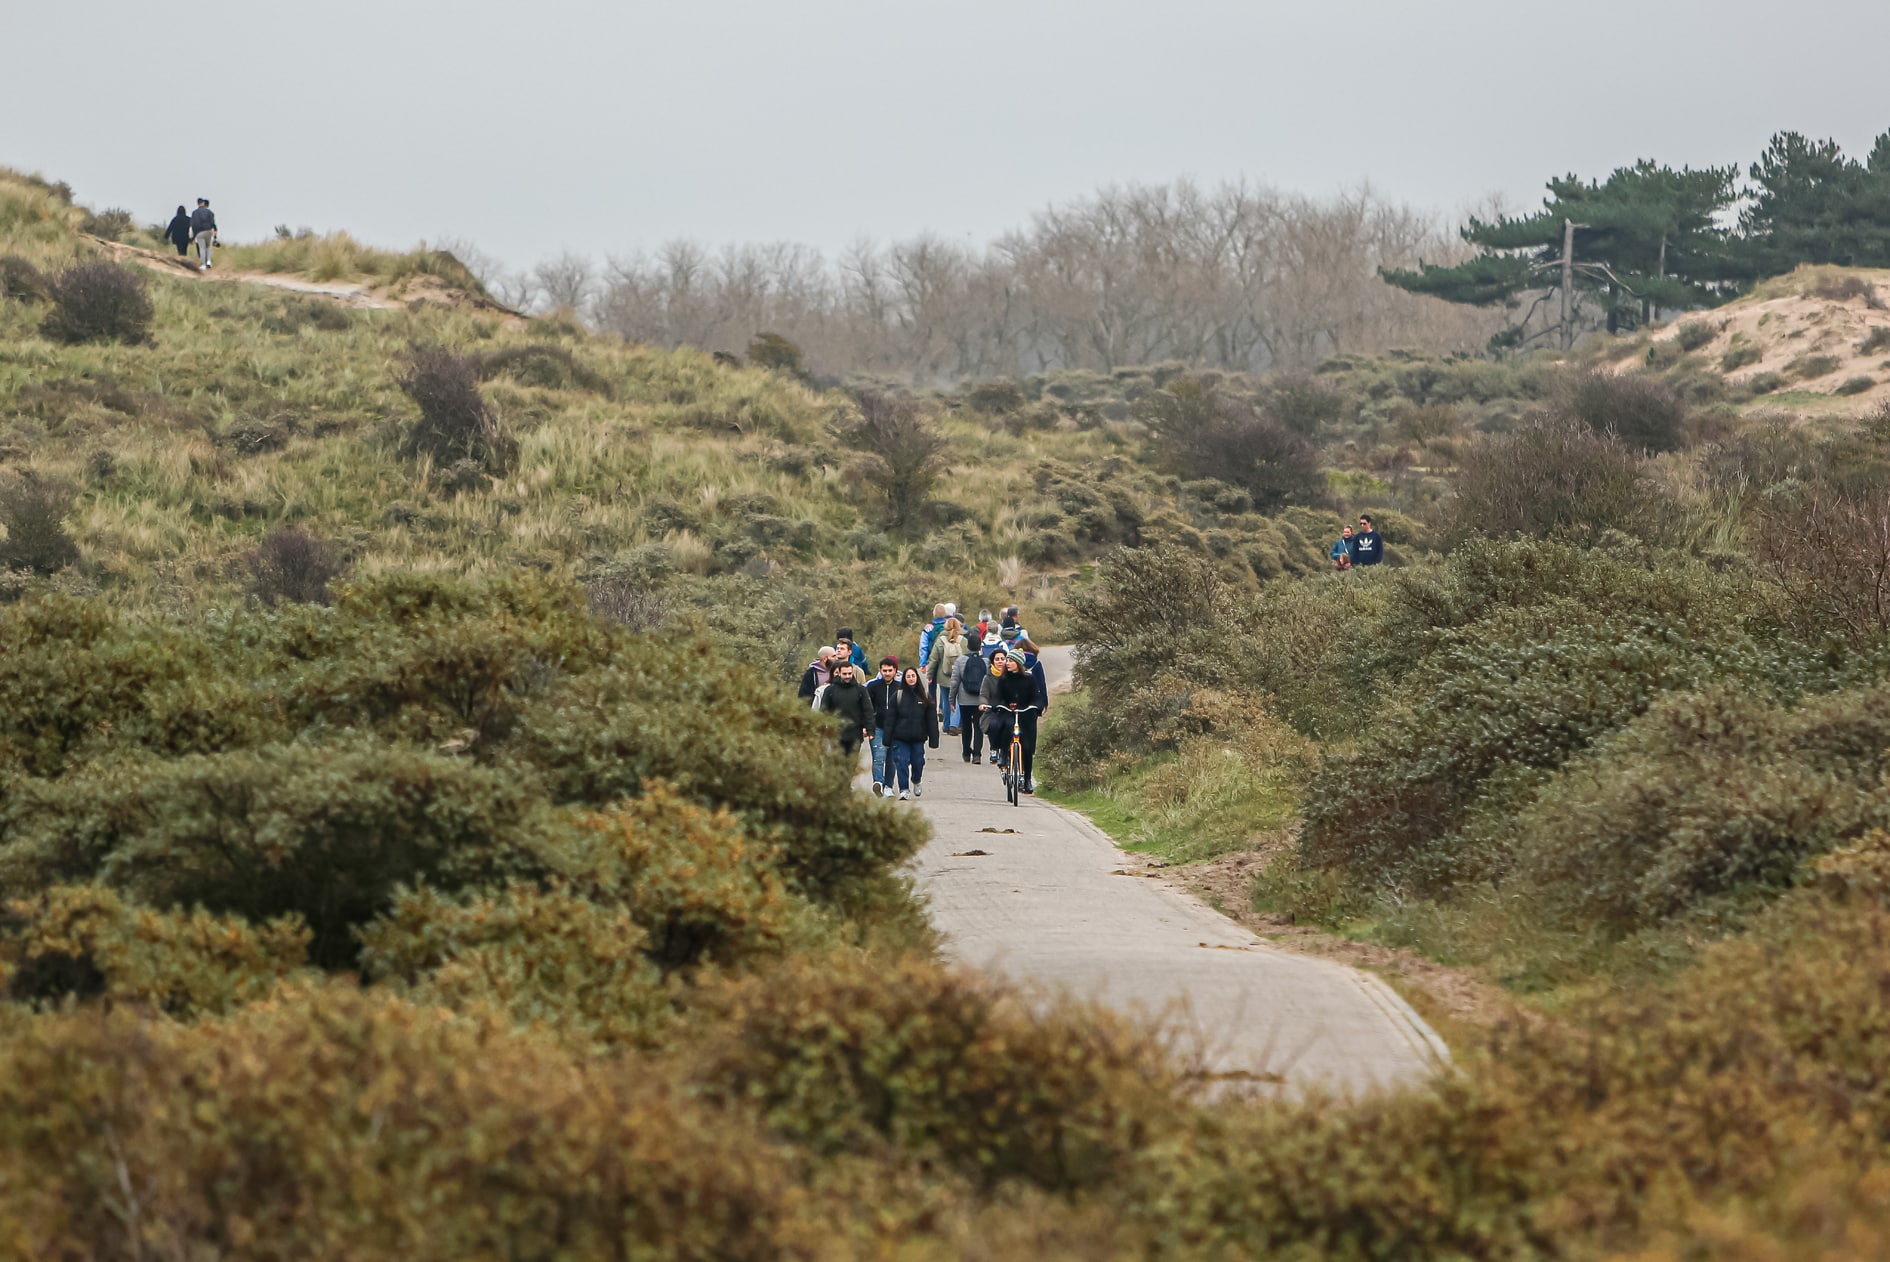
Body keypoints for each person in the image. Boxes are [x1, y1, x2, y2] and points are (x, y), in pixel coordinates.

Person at [981, 650, 1042, 792]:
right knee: (1004, 726)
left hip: (1025, 715)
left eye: (1010, 661)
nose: (1007, 663)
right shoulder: (1004, 679)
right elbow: (998, 696)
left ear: (1019, 663)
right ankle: (1003, 752)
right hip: (1008, 712)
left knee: (1026, 748)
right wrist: (996, 705)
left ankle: (1026, 779)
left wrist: (1036, 706)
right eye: (1007, 661)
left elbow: (1036, 696)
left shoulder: (1030, 679)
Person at [883, 665, 939, 800]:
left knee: (918, 762)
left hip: (918, 737)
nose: (911, 678)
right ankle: (904, 789)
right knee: (901, 762)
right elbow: (890, 718)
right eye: (908, 676)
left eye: (913, 676)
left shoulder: (925, 696)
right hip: (900, 737)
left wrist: (934, 739)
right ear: (904, 678)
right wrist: (887, 738)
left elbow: (932, 720)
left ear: (917, 678)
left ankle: (916, 779)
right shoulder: (898, 696)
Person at [818, 660, 873, 760]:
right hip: (836, 734)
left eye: (849, 673)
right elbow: (824, 711)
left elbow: (867, 710)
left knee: (852, 764)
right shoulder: (830, 690)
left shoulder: (860, 690)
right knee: (838, 764)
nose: (847, 676)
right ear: (839, 673)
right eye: (845, 673)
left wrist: (869, 729)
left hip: (855, 733)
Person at [864, 657, 899, 796]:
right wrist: (867, 725)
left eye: (890, 670)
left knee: (892, 759)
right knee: (879, 756)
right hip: (877, 727)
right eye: (884, 670)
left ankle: (888, 786)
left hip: (895, 729)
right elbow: (866, 708)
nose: (887, 673)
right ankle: (878, 782)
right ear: (880, 671)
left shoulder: (901, 688)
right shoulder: (872, 687)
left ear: (895, 671)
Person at [951, 642, 990, 763]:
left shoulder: (960, 660)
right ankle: (977, 755)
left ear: (968, 646)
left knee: (966, 726)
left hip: (964, 699)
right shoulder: (986, 661)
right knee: (979, 727)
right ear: (980, 647)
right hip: (980, 700)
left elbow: (954, 681)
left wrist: (952, 699)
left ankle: (966, 753)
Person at [927, 616, 967, 734]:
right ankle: (954, 724)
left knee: (945, 700)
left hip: (944, 676)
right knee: (958, 699)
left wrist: (930, 675)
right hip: (960, 676)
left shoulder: (940, 640)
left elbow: (933, 659)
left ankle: (947, 724)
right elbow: (967, 657)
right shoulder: (963, 640)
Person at [916, 604, 948, 675]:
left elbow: (923, 647)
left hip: (932, 660)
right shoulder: (950, 626)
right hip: (947, 659)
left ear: (934, 614)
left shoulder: (928, 628)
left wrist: (923, 664)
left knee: (931, 681)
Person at [188, 198, 217, 271]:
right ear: (203, 203)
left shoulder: (194, 213)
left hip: (199, 232)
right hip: (209, 231)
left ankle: (203, 264)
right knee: (208, 247)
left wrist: (193, 236)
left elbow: (193, 225)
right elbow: (213, 223)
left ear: (197, 203)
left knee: (202, 248)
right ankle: (209, 262)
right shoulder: (210, 212)